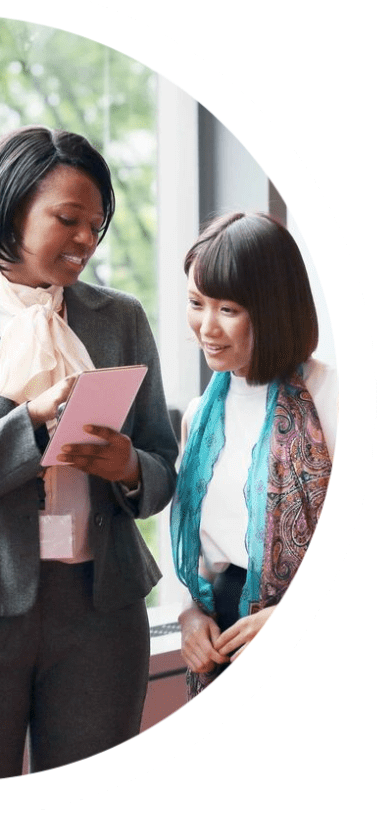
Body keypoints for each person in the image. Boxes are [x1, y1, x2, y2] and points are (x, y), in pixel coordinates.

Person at [0, 126, 178, 780]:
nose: (86, 240)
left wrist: (128, 466)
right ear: (10, 208)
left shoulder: (120, 318)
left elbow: (161, 469)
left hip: (101, 611)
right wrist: (33, 427)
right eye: (68, 219)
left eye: (97, 226)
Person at [171, 211, 335, 697]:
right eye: (196, 303)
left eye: (229, 309)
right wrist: (188, 616)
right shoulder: (200, 415)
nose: (206, 327)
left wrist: (292, 618)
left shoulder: (336, 398)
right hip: (224, 639)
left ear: (273, 309)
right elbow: (201, 555)